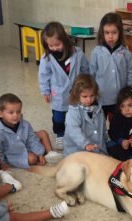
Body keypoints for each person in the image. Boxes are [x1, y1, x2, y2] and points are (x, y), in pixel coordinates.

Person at [39, 21, 90, 151]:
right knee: (58, 117)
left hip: (76, 92)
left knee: (75, 114)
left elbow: (85, 69)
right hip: (58, 94)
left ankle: (75, 134)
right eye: (51, 45)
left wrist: (87, 84)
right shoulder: (47, 58)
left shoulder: (77, 53)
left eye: (57, 44)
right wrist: (45, 91)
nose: (55, 48)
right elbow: (43, 76)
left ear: (65, 39)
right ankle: (60, 134)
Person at [0, 93, 63, 169]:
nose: (15, 115)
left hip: (25, 145)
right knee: (32, 159)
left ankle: (50, 154)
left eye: (18, 112)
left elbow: (32, 139)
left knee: (43, 133)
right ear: (0, 113)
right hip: (13, 154)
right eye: (11, 112)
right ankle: (39, 155)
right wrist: (2, 163)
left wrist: (40, 153)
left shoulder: (25, 124)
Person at [90, 12, 132, 121]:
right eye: (107, 33)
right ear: (102, 33)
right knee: (99, 122)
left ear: (120, 32)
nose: (110, 36)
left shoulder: (126, 53)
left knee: (117, 124)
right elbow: (91, 74)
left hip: (119, 99)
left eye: (114, 32)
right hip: (101, 97)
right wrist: (91, 94)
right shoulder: (96, 52)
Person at [63, 74, 108, 156]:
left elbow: (102, 128)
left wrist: (105, 140)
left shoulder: (99, 109)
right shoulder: (73, 112)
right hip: (76, 151)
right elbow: (74, 131)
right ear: (77, 95)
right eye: (85, 96)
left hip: (97, 149)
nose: (89, 99)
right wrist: (85, 144)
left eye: (92, 96)